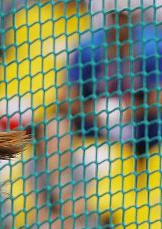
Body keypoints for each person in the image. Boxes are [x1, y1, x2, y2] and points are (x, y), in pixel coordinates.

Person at [62, 0, 162, 155]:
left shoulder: (152, 46)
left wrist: (129, 111)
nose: (121, 22)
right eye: (117, 16)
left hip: (145, 133)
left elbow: (158, 98)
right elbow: (67, 98)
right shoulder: (89, 48)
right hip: (94, 134)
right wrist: (95, 112)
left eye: (125, 17)